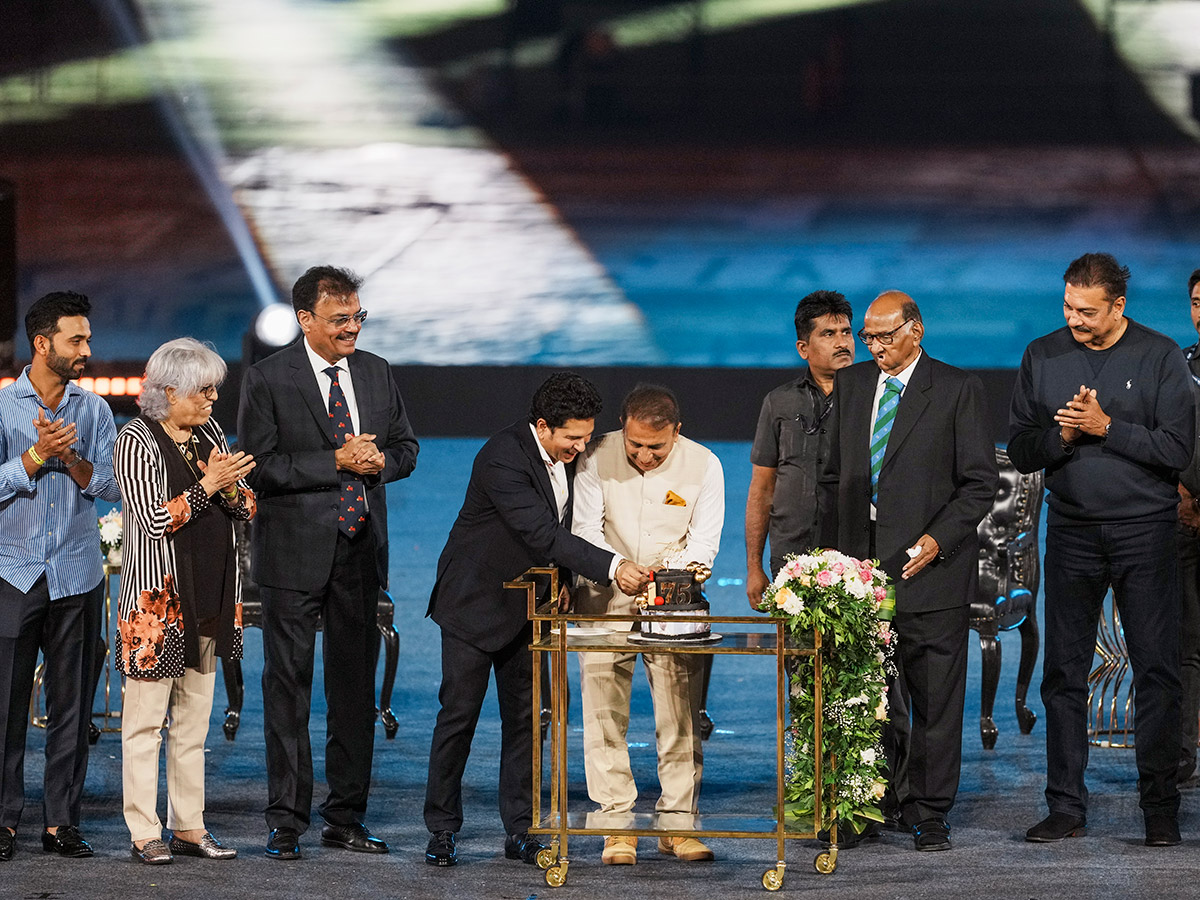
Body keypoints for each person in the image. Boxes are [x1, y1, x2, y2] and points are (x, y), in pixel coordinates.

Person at [423, 373, 651, 868]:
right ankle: (441, 829)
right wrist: (612, 567)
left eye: (587, 437)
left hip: (531, 607)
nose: (581, 447)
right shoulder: (502, 457)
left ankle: (522, 831)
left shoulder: (572, 454)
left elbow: (567, 524)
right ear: (542, 425)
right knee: (458, 717)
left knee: (526, 724)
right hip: (474, 603)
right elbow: (541, 531)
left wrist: (564, 578)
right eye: (572, 438)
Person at [1011, 253, 1195, 847]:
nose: (1074, 319)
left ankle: (1159, 809)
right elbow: (1020, 448)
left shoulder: (1160, 354)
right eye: (1067, 306)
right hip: (1070, 532)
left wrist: (1106, 427)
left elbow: (1176, 450)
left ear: (1119, 306)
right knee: (1063, 673)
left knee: (1157, 671)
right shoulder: (1044, 354)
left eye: (1086, 311)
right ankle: (1065, 805)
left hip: (1146, 532)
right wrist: (1062, 435)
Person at [238, 266, 419, 860]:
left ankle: (345, 816)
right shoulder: (268, 379)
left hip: (360, 551)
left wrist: (379, 466)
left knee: (352, 688)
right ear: (305, 319)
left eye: (358, 317)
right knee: (287, 687)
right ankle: (286, 820)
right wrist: (336, 461)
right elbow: (260, 468)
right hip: (293, 556)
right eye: (340, 319)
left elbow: (406, 449)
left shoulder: (376, 372)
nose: (352, 328)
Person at [818, 290, 997, 852]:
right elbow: (832, 479)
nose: (872, 348)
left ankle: (929, 810)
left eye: (884, 337)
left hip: (930, 570)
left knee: (933, 699)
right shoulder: (849, 386)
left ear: (915, 331)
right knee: (864, 695)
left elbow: (978, 484)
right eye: (866, 338)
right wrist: (828, 561)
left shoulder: (956, 388)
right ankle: (867, 803)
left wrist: (937, 540)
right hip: (859, 572)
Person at [113, 338, 256, 864]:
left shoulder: (211, 433)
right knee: (146, 723)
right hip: (157, 606)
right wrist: (209, 485)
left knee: (193, 722)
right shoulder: (136, 440)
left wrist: (233, 490)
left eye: (215, 389)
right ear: (169, 391)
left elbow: (245, 507)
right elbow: (152, 517)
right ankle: (143, 829)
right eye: (204, 390)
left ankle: (189, 827)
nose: (214, 399)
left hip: (212, 596)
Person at [572, 384, 723, 865]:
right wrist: (618, 567)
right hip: (603, 592)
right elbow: (583, 530)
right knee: (602, 712)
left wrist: (668, 576)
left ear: (677, 433)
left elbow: (704, 541)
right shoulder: (596, 455)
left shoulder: (705, 464)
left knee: (679, 713)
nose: (643, 455)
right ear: (624, 428)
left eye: (656, 447)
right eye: (635, 444)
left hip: (673, 601)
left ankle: (677, 825)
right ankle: (616, 825)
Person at [0, 291, 121, 862]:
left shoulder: (94, 411)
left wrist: (70, 460)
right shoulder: (3, 409)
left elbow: (113, 488)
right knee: (6, 703)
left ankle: (60, 823)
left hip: (76, 573)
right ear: (42, 343)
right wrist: (30, 459)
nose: (86, 350)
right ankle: (4, 821)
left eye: (88, 339)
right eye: (76, 340)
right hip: (14, 572)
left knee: (72, 705)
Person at [746, 290, 854, 610]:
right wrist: (754, 567)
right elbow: (762, 489)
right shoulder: (779, 402)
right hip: (791, 556)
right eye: (828, 334)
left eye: (846, 332)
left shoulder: (876, 400)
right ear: (803, 348)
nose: (842, 342)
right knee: (797, 657)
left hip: (855, 557)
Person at [1178, 268, 1200, 787]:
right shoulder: (1178, 367)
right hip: (1183, 518)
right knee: (1184, 646)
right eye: (1198, 303)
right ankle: (1180, 757)